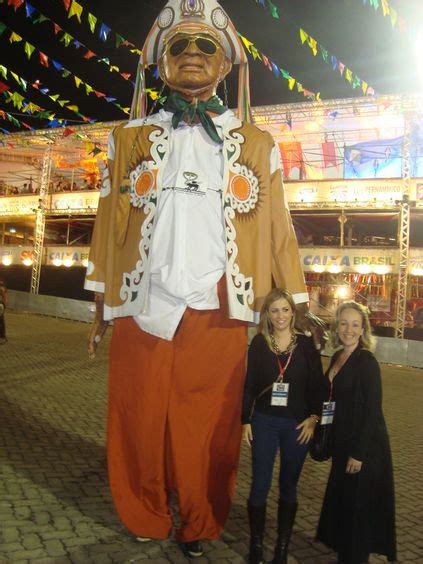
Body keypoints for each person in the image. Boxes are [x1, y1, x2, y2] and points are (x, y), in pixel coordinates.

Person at [85, 0, 324, 558]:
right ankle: (144, 510)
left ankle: (197, 520)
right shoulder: (127, 139)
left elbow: (280, 229)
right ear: (159, 64)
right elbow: (106, 223)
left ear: (225, 66)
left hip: (220, 300)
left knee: (206, 425)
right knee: (138, 416)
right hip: (143, 297)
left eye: (206, 46)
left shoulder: (258, 144)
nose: (192, 54)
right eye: (179, 47)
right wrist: (100, 307)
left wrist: (295, 299)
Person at [242, 289, 325, 564]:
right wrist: (245, 420)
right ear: (267, 314)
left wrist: (314, 418)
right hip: (264, 422)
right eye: (274, 310)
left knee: (288, 486)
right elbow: (250, 386)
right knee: (259, 486)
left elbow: (318, 387)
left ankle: (281, 547)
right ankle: (256, 546)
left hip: (296, 425)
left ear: (293, 312)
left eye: (285, 310)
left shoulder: (305, 346)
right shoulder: (258, 344)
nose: (280, 316)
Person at [316, 301, 396, 564]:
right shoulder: (338, 356)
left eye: (355, 324)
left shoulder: (367, 362)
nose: (348, 329)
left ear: (363, 329)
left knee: (359, 509)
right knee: (346, 503)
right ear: (336, 328)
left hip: (365, 448)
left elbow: (373, 411)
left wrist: (358, 454)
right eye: (343, 324)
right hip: (342, 442)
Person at [0, 278, 7, 344]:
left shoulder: (2, 289)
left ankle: (2, 336)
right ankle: (2, 336)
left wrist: (4, 305)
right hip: (1, 305)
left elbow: (4, 298)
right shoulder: (3, 289)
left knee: (1, 321)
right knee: (1, 321)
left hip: (0, 305)